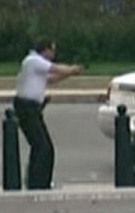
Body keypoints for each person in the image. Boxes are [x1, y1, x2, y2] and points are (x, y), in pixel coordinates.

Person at [14, 39, 83, 190]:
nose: (53, 54)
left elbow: (51, 79)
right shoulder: (33, 60)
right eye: (52, 50)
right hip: (27, 107)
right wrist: (72, 69)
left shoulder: (35, 65)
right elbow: (56, 69)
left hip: (33, 108)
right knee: (43, 147)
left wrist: (69, 74)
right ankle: (39, 183)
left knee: (40, 146)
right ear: (45, 50)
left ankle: (37, 181)